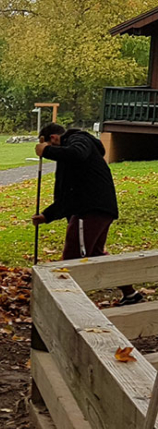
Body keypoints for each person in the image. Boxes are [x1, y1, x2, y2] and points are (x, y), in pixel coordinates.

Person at [31, 123, 141, 305]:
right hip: (97, 208)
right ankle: (130, 293)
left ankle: (69, 303)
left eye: (51, 148)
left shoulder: (79, 140)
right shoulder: (71, 159)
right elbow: (68, 194)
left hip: (89, 210)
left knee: (73, 258)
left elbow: (76, 154)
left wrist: (46, 151)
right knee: (97, 255)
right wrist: (47, 215)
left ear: (53, 139)